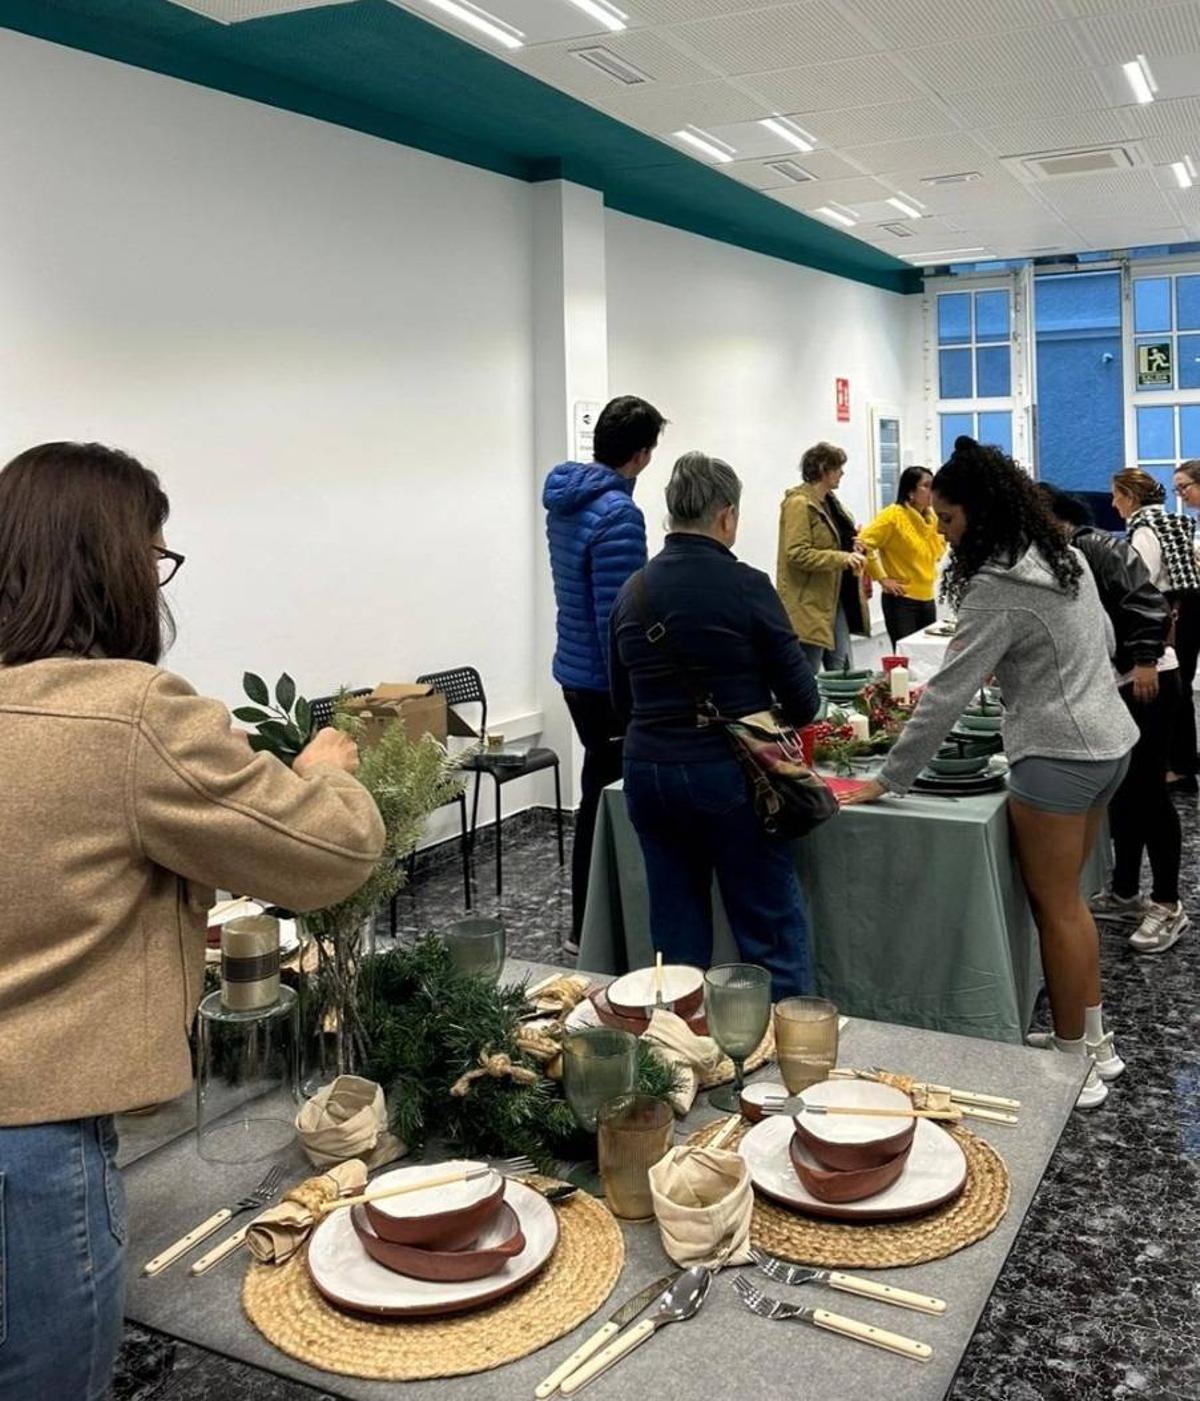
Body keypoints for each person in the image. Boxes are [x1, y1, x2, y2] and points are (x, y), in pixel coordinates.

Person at [0, 442, 385, 1401]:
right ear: (117, 568)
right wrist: (320, 777)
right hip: (33, 1139)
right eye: (156, 559)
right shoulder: (127, 714)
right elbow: (327, 853)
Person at [841, 438, 1138, 1110]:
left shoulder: (996, 585)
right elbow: (1110, 643)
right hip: (1111, 745)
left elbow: (946, 694)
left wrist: (890, 778)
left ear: (979, 511)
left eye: (948, 520)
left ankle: (1072, 1065)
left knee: (1056, 908)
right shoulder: (1064, 556)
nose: (943, 532)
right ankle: (1097, 1042)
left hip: (1058, 756)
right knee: (1075, 906)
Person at [609, 451, 820, 998]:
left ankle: (678, 1055)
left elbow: (619, 701)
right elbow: (803, 701)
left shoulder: (631, 594)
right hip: (731, 776)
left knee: (675, 936)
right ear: (726, 515)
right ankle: (780, 1057)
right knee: (768, 924)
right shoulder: (747, 586)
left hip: (648, 770)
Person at [1037, 484, 1184, 955]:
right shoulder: (1063, 553)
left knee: (1148, 792)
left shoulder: (1097, 545)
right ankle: (1124, 892)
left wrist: (1144, 658)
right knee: (1123, 790)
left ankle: (1168, 904)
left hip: (1149, 679)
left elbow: (1147, 602)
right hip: (1118, 681)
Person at [543, 395, 666, 956]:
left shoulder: (567, 502)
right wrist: (639, 686)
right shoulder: (619, 513)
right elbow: (616, 617)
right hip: (604, 680)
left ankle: (586, 924)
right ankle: (592, 928)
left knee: (598, 790)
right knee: (608, 798)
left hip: (575, 672)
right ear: (641, 455)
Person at [1111, 467, 1200, 795]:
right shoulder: (1172, 520)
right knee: (1182, 687)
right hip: (1187, 607)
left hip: (1166, 611)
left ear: (1130, 497)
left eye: (1116, 495)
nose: (1113, 503)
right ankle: (1183, 763)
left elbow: (1142, 579)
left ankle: (1175, 767)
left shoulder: (1144, 527)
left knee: (1171, 690)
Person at [776, 441, 869, 673]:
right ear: (822, 469)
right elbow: (796, 553)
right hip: (809, 604)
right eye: (838, 468)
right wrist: (841, 558)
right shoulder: (798, 504)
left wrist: (853, 548)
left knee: (843, 668)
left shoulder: (830, 503)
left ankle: (841, 710)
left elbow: (836, 542)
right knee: (808, 671)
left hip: (834, 599)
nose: (842, 473)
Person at [855, 465, 947, 649]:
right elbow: (863, 543)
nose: (932, 491)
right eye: (926, 485)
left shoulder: (933, 518)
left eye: (933, 485)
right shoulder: (893, 516)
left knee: (928, 655)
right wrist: (882, 578)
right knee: (906, 657)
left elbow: (938, 551)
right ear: (910, 491)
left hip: (927, 597)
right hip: (901, 599)